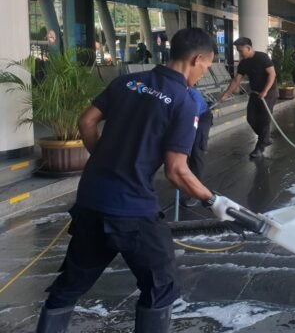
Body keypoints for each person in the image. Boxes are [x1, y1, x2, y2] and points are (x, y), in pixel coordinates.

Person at [36, 28, 246, 333]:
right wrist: (213, 200)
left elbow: (86, 121)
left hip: (91, 199)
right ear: (197, 59)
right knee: (161, 286)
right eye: (205, 67)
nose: (202, 74)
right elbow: (177, 171)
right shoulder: (183, 101)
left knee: (71, 283)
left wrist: (104, 157)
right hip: (132, 209)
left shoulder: (127, 82)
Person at [217, 37, 277, 158]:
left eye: (240, 50)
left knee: (264, 119)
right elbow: (236, 80)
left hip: (269, 93)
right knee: (251, 118)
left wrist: (265, 91)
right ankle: (265, 138)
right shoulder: (243, 63)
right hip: (254, 93)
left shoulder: (262, 57)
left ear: (248, 48)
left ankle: (260, 147)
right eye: (238, 51)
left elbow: (272, 74)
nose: (239, 53)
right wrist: (226, 94)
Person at [181, 87, 214, 207]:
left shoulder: (191, 96)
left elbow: (191, 118)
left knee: (196, 151)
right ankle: (186, 180)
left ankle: (195, 193)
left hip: (201, 118)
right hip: (186, 117)